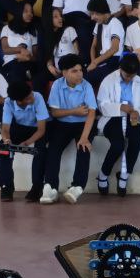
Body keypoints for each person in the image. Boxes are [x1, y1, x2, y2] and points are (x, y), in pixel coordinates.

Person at [40, 53, 98, 204]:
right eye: (74, 71)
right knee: (53, 149)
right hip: (62, 123)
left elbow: (91, 113)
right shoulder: (57, 85)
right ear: (64, 72)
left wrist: (85, 137)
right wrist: (75, 111)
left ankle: (77, 187)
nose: (79, 74)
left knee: (84, 148)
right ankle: (50, 188)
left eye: (80, 70)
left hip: (83, 124)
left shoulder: (87, 85)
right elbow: (54, 112)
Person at [95, 53, 140, 196]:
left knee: (138, 137)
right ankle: (103, 174)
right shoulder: (109, 80)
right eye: (126, 76)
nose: (129, 79)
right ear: (120, 68)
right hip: (112, 117)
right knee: (118, 145)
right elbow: (102, 105)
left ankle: (124, 174)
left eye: (132, 76)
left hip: (132, 117)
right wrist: (120, 107)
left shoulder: (139, 81)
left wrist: (137, 112)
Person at [0, 81, 49, 201]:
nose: (32, 97)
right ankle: (6, 187)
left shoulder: (38, 97)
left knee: (40, 150)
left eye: (31, 94)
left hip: (38, 129)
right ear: (19, 101)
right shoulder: (8, 102)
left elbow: (41, 130)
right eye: (28, 97)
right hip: (20, 128)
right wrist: (7, 140)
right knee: (3, 148)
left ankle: (37, 188)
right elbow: (5, 128)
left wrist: (26, 144)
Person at [86, 0, 125, 88]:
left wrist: (95, 63)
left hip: (113, 61)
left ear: (102, 11)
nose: (92, 18)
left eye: (94, 14)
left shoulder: (115, 23)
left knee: (88, 78)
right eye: (91, 14)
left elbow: (114, 48)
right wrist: (93, 62)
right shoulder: (98, 24)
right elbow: (93, 46)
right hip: (101, 59)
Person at [0, 2, 41, 87]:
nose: (30, 14)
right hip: (10, 62)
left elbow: (35, 57)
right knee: (16, 71)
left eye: (31, 12)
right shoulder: (6, 28)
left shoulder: (33, 31)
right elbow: (5, 49)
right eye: (26, 11)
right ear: (18, 12)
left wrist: (28, 57)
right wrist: (21, 50)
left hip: (27, 62)